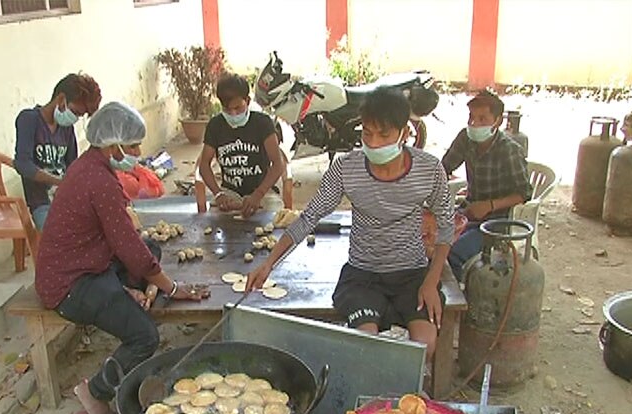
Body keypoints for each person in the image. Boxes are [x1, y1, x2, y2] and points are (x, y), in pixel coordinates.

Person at [247, 87, 454, 362]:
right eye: (367, 133)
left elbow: (447, 225)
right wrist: (268, 263)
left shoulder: (429, 169)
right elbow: (309, 217)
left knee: (424, 346)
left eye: (384, 135)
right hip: (362, 276)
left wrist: (431, 280)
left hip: (412, 274)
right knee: (364, 346)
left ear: (404, 134)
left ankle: (406, 400)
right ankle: (370, 403)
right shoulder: (347, 168)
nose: (374, 143)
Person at [35, 102, 208, 414]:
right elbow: (129, 248)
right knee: (144, 335)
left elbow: (128, 243)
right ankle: (94, 392)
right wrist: (172, 287)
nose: (138, 152)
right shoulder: (99, 181)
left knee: (151, 247)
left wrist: (139, 280)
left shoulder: (90, 165)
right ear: (111, 145)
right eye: (131, 146)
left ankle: (131, 291)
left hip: (88, 262)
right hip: (69, 284)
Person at [442, 90, 532, 281]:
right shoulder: (465, 139)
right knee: (432, 243)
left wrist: (489, 205)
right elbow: (443, 168)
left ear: (497, 121)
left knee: (452, 253)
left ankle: (461, 302)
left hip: (497, 222)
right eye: (471, 118)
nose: (474, 124)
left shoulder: (509, 150)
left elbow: (524, 193)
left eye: (482, 119)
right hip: (468, 212)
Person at [14, 73, 102, 230]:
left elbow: (73, 165)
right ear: (61, 99)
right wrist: (58, 181)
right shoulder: (29, 119)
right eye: (75, 112)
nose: (75, 118)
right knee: (67, 235)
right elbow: (22, 164)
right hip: (42, 204)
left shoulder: (66, 128)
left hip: (66, 198)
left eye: (80, 116)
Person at [198, 73, 284, 217]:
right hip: (229, 193)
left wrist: (258, 194)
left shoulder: (263, 123)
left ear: (248, 101)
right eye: (227, 109)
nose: (233, 113)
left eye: (238, 108)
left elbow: (277, 164)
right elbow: (204, 165)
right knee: (215, 224)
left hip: (263, 191)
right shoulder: (215, 125)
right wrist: (218, 194)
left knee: (272, 223)